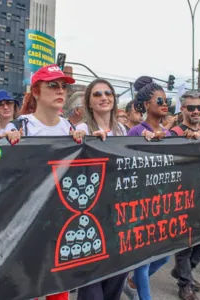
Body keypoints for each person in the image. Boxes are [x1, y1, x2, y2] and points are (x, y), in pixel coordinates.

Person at [5, 64, 85, 300]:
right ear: (37, 92)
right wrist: (3, 142)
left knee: (58, 291)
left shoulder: (70, 129)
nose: (60, 91)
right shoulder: (20, 126)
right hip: (26, 225)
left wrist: (86, 141)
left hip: (60, 224)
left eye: (63, 87)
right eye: (53, 85)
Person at [74, 79, 128, 300]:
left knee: (115, 280)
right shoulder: (83, 128)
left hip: (119, 214)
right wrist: (83, 140)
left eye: (108, 93)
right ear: (89, 103)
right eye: (97, 94)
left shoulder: (122, 129)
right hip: (92, 216)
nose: (104, 97)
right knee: (92, 288)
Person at [123, 79, 171, 300]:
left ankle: (130, 282)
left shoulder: (170, 135)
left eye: (166, 100)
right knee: (142, 260)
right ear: (145, 104)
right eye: (159, 100)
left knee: (164, 257)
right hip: (140, 205)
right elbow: (125, 166)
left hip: (163, 204)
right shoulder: (135, 132)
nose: (165, 104)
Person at [168, 91, 200, 300]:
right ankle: (185, 284)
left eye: (199, 107)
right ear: (183, 109)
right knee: (185, 242)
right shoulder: (174, 133)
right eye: (191, 107)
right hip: (181, 196)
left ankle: (184, 270)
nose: (196, 111)